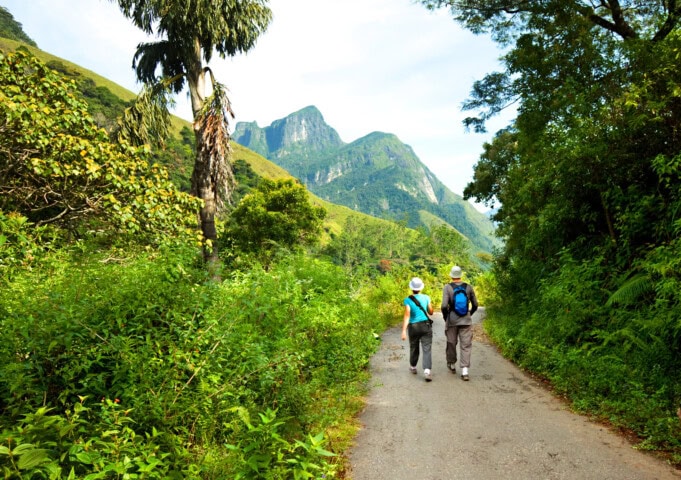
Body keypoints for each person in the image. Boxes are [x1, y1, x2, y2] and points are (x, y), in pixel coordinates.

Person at [441, 265, 478, 381]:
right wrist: (469, 314)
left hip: (452, 320)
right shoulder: (468, 287)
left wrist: (446, 317)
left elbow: (443, 306)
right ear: (461, 275)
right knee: (466, 345)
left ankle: (452, 364)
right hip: (466, 320)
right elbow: (475, 304)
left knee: (451, 342)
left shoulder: (447, 287)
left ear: (451, 276)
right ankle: (465, 371)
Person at [401, 277, 434, 382]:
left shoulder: (407, 300)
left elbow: (407, 315)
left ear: (411, 288)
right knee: (427, 348)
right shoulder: (426, 297)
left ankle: (413, 367)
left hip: (413, 327)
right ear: (421, 287)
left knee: (414, 347)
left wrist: (403, 331)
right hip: (426, 326)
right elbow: (431, 312)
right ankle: (427, 371)